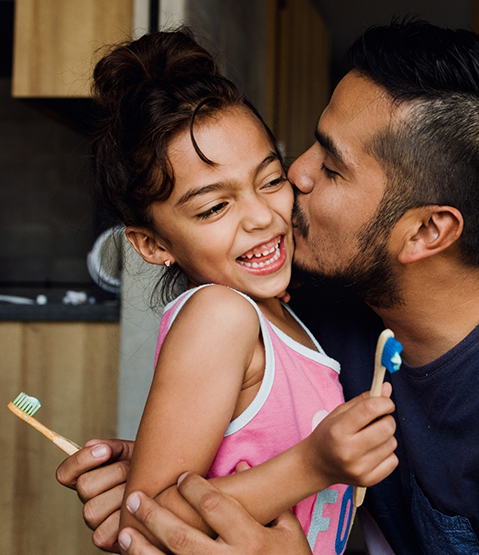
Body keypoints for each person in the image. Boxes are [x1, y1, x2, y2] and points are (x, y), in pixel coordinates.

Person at [57, 19, 479, 554]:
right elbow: (174, 494)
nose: (296, 176)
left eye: (332, 167)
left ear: (427, 231)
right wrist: (171, 466)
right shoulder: (294, 279)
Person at [80, 27, 397, 555]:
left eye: (270, 180)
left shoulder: (280, 315)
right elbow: (142, 525)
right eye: (213, 207)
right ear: (153, 244)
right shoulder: (221, 316)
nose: (261, 217)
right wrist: (312, 465)